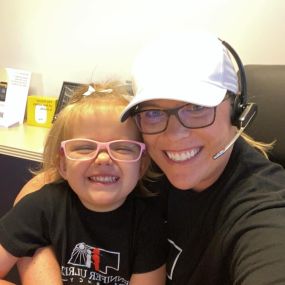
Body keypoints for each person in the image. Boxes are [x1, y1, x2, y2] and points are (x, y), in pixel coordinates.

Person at [9, 31, 285, 284]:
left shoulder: (263, 210)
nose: (174, 135)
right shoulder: (143, 161)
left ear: (238, 111)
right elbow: (41, 190)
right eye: (153, 112)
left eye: (198, 108)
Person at [0, 81, 166, 285]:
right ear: (62, 164)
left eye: (122, 148)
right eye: (85, 148)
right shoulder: (39, 207)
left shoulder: (148, 224)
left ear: (141, 165)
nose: (103, 159)